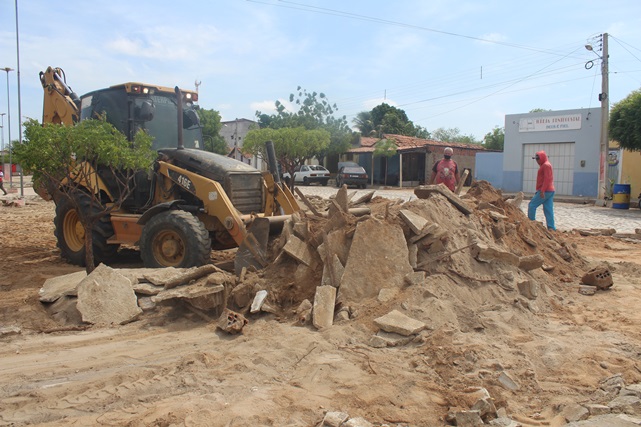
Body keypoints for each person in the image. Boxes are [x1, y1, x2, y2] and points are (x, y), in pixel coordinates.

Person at [527, 150, 556, 231]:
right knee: (548, 209)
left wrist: (542, 190)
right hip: (550, 190)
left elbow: (547, 179)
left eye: (538, 159)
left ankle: (531, 224)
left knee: (532, 205)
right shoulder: (545, 165)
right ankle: (551, 228)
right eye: (536, 159)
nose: (537, 161)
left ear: (542, 158)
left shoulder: (546, 165)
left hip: (545, 191)